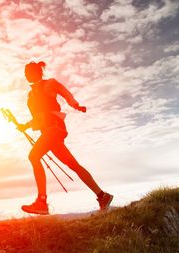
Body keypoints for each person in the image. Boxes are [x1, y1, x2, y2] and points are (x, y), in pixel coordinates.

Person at [17, 61, 113, 215]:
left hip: (54, 130)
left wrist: (76, 105)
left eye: (27, 71)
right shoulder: (31, 94)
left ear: (37, 72)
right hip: (49, 133)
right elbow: (39, 116)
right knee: (73, 165)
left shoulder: (49, 84)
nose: (25, 75)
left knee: (34, 156)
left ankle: (41, 201)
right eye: (25, 72)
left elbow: (65, 92)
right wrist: (25, 126)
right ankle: (102, 195)